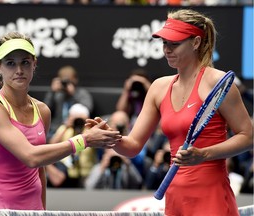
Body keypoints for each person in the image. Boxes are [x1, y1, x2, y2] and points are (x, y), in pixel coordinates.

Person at [86, 9, 253, 216]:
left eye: (174, 43)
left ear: (196, 43)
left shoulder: (216, 82)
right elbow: (133, 146)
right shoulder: (158, 87)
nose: (167, 49)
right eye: (164, 43)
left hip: (212, 197)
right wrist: (111, 138)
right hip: (175, 198)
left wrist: (204, 154)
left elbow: (248, 136)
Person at [0, 31, 122, 210]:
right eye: (10, 63)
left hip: (33, 211)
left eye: (25, 62)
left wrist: (42, 211)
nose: (19, 70)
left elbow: (39, 168)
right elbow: (31, 157)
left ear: (34, 64)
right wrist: (85, 140)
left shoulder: (42, 111)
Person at [46, 103, 97, 188]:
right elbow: (52, 145)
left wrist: (88, 127)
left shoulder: (89, 131)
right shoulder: (65, 129)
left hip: (86, 173)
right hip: (66, 171)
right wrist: (66, 125)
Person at [44, 65, 94, 139]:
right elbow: (44, 111)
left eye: (69, 81)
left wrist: (73, 94)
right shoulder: (56, 94)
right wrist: (52, 92)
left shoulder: (82, 93)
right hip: (56, 127)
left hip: (74, 129)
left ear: (75, 80)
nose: (66, 85)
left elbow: (86, 110)